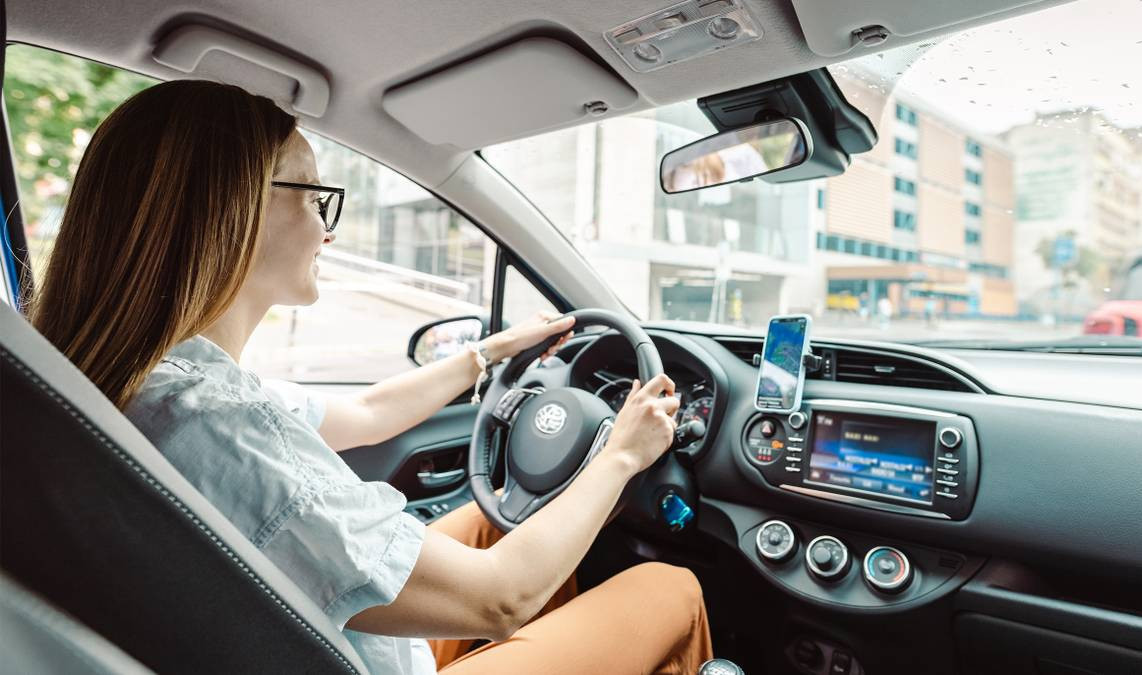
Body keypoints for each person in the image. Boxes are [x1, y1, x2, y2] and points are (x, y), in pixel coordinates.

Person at [28, 80, 712, 674]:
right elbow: (501, 599)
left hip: (312, 644)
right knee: (669, 589)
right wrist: (622, 454)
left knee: (498, 521)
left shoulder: (158, 388)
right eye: (314, 197)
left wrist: (489, 352)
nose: (328, 231)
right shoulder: (221, 427)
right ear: (232, 210)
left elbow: (368, 415)